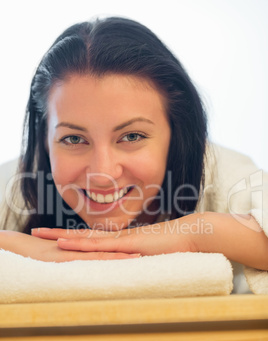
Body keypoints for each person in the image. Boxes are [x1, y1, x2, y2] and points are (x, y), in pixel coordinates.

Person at [0, 16, 267, 292]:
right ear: (45, 140)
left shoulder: (222, 174)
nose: (102, 174)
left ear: (176, 133)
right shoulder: (18, 185)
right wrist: (11, 245)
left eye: (132, 136)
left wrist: (198, 234)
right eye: (74, 138)